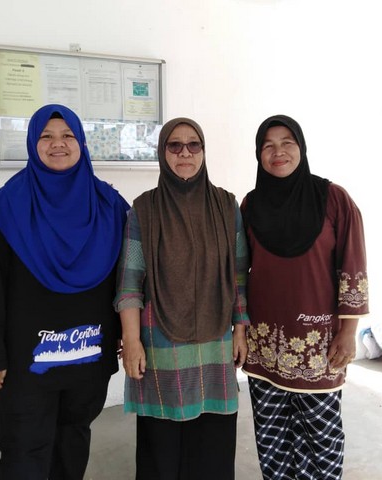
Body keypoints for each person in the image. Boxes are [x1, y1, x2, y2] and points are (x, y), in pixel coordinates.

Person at [0, 104, 130, 480]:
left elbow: (125, 280)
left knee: (73, 441)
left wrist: (127, 336)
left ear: (82, 144)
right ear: (33, 144)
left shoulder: (109, 206)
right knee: (23, 450)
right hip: (26, 363)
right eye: (46, 136)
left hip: (89, 356)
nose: (57, 143)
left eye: (67, 136)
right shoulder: (7, 207)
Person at [114, 117, 250, 480]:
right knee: (162, 446)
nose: (185, 153)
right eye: (175, 146)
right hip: (161, 342)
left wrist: (240, 330)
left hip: (215, 340)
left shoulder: (226, 207)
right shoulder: (144, 210)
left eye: (194, 145)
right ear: (163, 153)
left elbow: (239, 275)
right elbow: (130, 282)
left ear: (204, 151)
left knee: (213, 444)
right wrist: (131, 340)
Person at [241, 114, 369, 480]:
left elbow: (353, 265)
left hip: (318, 344)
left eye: (287, 143)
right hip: (264, 344)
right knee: (271, 436)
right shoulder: (251, 205)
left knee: (321, 437)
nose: (277, 152)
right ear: (258, 154)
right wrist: (239, 330)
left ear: (301, 147)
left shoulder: (333, 199)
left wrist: (348, 331)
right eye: (268, 145)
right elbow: (239, 271)